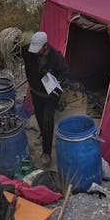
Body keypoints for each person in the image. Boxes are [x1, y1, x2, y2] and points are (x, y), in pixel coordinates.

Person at [21, 31, 70, 168]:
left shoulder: (56, 57)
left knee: (48, 121)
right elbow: (17, 48)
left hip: (50, 96)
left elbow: (65, 72)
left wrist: (58, 81)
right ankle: (44, 133)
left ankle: (46, 152)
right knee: (39, 116)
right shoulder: (28, 51)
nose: (35, 52)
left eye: (38, 49)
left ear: (45, 46)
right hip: (36, 92)